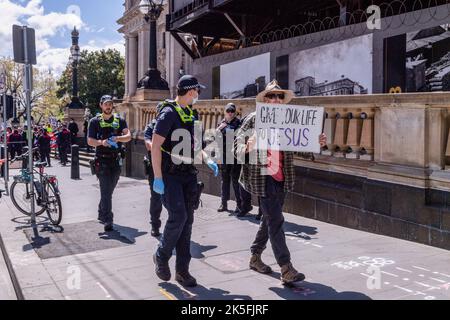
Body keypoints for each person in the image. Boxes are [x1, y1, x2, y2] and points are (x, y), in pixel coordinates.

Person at [233, 80, 327, 285]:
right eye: (271, 96)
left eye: (279, 97)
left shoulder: (287, 121)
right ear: (265, 99)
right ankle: (286, 267)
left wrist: (315, 143)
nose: (276, 99)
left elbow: (298, 145)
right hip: (262, 177)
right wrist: (248, 146)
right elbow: (236, 148)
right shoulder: (253, 119)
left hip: (282, 177)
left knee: (269, 220)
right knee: (276, 221)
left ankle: (255, 256)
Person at [151, 75, 219, 287]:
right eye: (197, 91)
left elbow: (196, 146)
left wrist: (208, 159)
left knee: (187, 222)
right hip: (170, 175)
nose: (198, 95)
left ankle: (182, 271)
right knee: (178, 216)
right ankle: (161, 256)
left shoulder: (193, 113)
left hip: (188, 174)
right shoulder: (169, 114)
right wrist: (158, 178)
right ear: (191, 91)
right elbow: (154, 146)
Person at [88, 95, 131, 232]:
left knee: (108, 190)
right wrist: (101, 142)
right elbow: (90, 141)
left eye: (110, 104)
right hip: (101, 160)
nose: (108, 106)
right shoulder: (94, 121)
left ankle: (102, 210)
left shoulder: (120, 120)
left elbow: (128, 136)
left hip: (116, 160)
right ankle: (108, 219)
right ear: (101, 105)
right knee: (105, 191)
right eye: (106, 104)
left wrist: (118, 138)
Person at [216, 103, 251, 216]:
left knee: (236, 181)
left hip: (235, 156)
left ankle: (239, 204)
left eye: (232, 111)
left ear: (235, 112)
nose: (230, 113)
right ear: (225, 111)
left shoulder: (239, 123)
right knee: (224, 180)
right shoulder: (221, 124)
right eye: (228, 111)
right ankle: (223, 203)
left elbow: (241, 137)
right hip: (225, 156)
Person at [144, 118, 163, 238]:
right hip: (154, 168)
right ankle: (155, 225)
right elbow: (148, 143)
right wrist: (158, 148)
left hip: (171, 167)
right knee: (156, 198)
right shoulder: (152, 125)